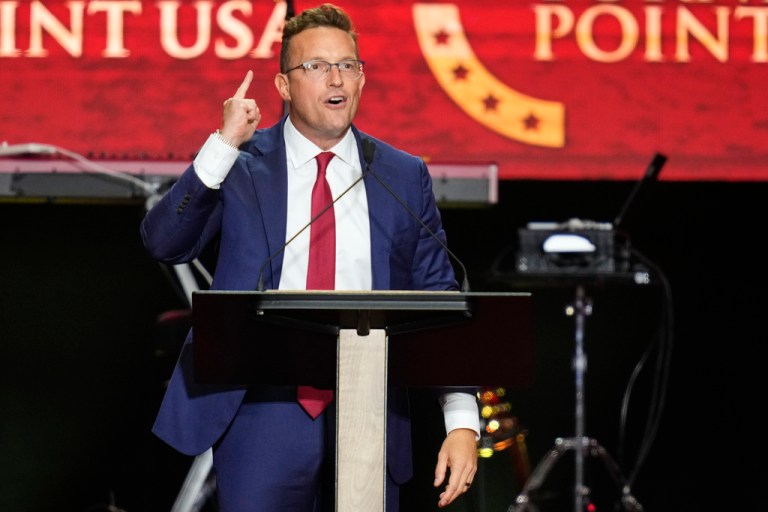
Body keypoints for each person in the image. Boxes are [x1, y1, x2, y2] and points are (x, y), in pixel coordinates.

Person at [141, 4, 479, 511]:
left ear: (361, 79)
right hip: (263, 407)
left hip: (371, 406)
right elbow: (165, 243)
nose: (335, 77)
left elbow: (439, 297)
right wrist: (222, 145)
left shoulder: (402, 174)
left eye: (347, 64)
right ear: (283, 85)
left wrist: (461, 420)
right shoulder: (241, 164)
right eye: (316, 66)